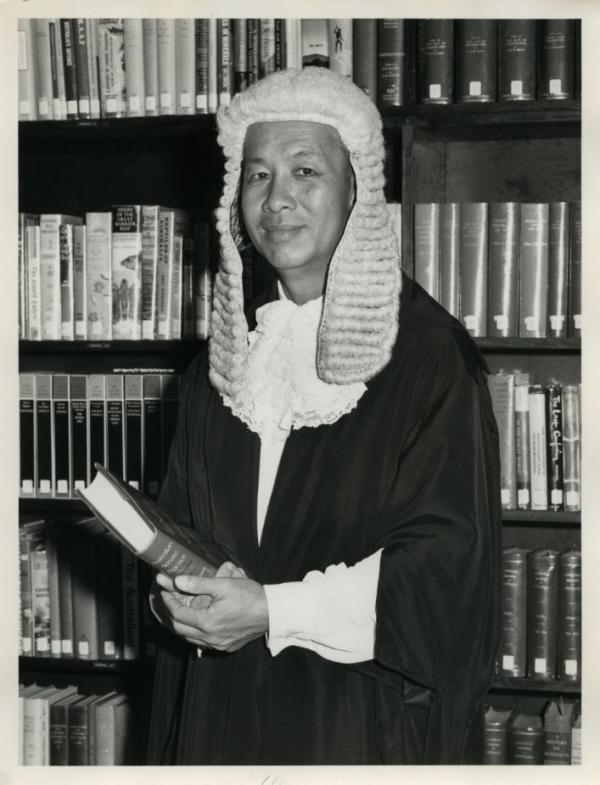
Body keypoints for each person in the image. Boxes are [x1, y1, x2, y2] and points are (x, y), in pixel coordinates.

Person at [147, 67, 501, 765]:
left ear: (356, 189)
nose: (276, 199)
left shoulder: (431, 359)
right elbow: (178, 526)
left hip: (350, 726)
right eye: (256, 175)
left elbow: (444, 576)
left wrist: (271, 610)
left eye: (305, 170)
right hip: (221, 720)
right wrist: (173, 599)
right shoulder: (218, 365)